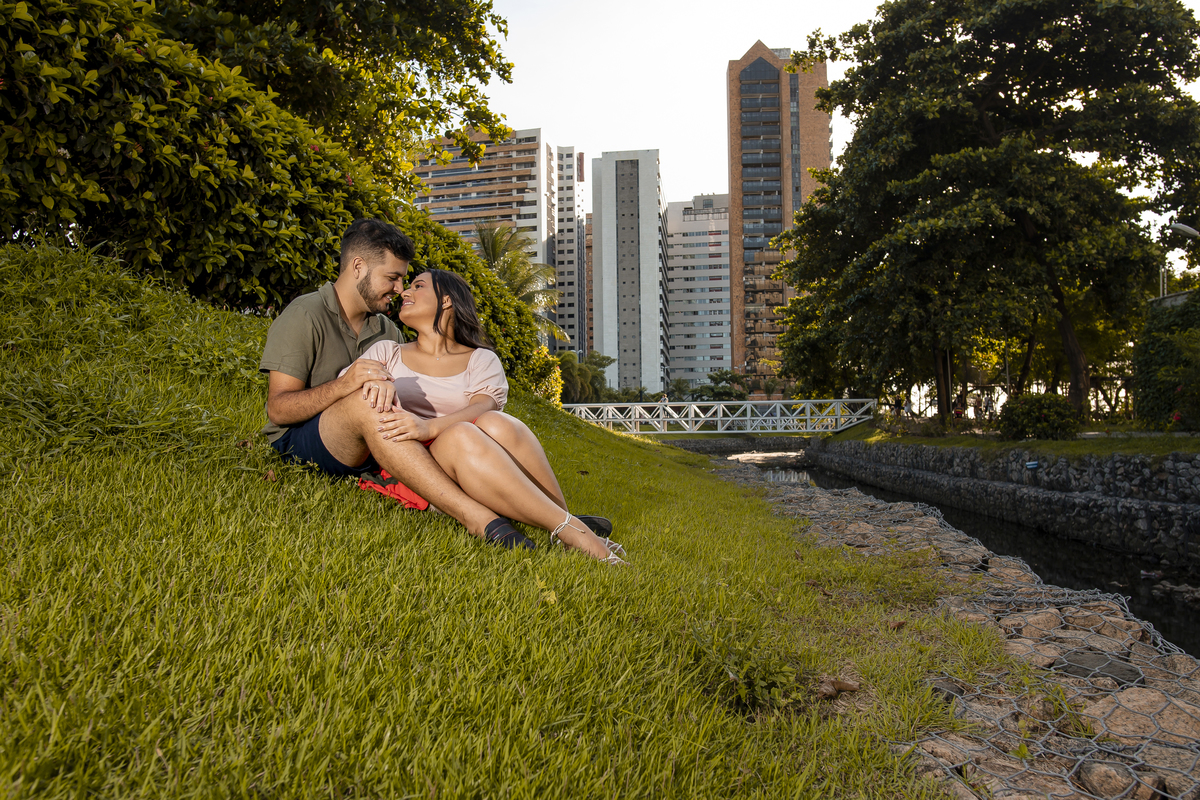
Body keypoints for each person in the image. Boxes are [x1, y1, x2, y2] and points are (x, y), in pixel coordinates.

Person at [259, 218, 539, 550]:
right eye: (392, 278)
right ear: (358, 267)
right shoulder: (305, 315)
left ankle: (543, 514)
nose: (398, 289)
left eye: (403, 280)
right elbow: (278, 409)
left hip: (374, 446)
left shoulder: (386, 332)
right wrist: (346, 385)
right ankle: (476, 517)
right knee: (366, 400)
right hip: (307, 438)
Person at [348, 269, 627, 565]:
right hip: (415, 463)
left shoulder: (480, 358)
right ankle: (574, 531)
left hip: (467, 451)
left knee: (496, 422)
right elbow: (349, 394)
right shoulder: (387, 352)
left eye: (418, 286)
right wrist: (372, 381)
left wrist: (428, 427)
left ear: (446, 301)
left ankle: (563, 525)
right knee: (460, 433)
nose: (404, 292)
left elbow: (484, 406)